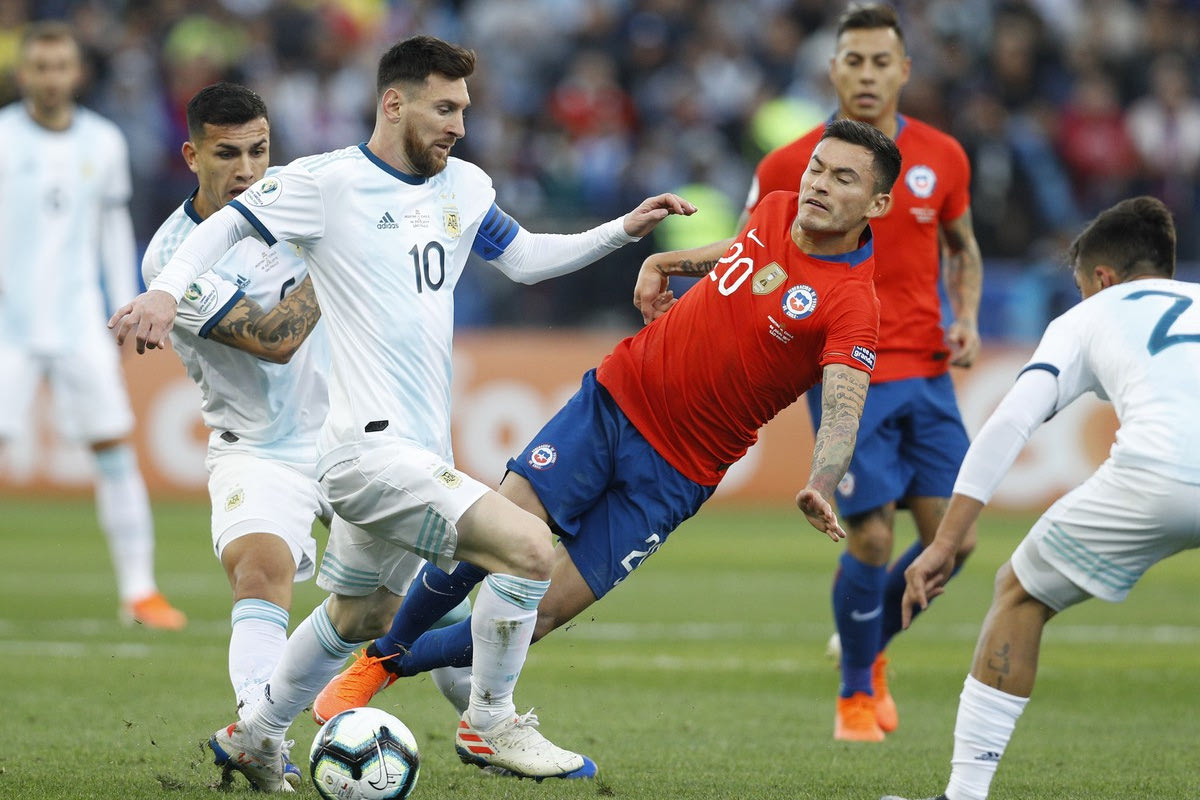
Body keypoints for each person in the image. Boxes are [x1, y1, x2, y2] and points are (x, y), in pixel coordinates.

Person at [109, 34, 694, 790]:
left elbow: (523, 258)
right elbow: (228, 225)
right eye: (444, 108)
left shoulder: (465, 186)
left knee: (361, 615)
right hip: (360, 449)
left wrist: (621, 230)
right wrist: (164, 291)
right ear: (394, 104)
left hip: (412, 446)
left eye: (464, 109)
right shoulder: (328, 183)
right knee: (526, 548)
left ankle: (256, 731)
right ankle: (489, 722)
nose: (459, 125)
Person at [311, 118, 905, 744]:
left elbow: (844, 408)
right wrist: (665, 260)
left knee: (540, 615)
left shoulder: (853, 305)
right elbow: (741, 250)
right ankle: (375, 664)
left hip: (677, 474)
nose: (818, 184)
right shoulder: (779, 207)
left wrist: (822, 481)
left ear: (877, 204)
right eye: (817, 168)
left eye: (843, 179)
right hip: (615, 402)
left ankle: (401, 669)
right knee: (491, 537)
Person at [143, 81, 473, 789]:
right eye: (227, 154)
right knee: (259, 572)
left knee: (432, 592)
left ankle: (484, 722)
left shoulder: (298, 199)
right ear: (192, 156)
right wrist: (347, 259)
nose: (247, 170)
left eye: (259, 151)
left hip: (354, 435)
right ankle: (261, 737)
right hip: (260, 449)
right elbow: (275, 338)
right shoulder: (173, 258)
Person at [881, 195, 1198, 800]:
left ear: (1102, 279)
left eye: (1080, 287)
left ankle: (965, 795)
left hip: (1158, 474)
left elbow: (1009, 423)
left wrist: (945, 542)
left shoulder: (1089, 315)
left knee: (1020, 593)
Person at [743, 3, 984, 741]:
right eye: (855, 60)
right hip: (849, 371)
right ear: (833, 69)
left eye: (882, 61)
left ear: (905, 70)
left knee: (956, 541)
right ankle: (855, 692)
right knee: (872, 539)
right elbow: (755, 257)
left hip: (929, 371)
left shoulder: (943, 156)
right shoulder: (789, 165)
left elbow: (962, 248)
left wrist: (968, 316)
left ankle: (866, 637)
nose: (868, 74)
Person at [0, 22, 185, 630]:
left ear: (76, 73)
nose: (51, 78)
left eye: (61, 66)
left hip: (79, 320)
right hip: (9, 325)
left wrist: (123, 305)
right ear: (23, 73)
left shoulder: (102, 142)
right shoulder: (3, 138)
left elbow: (111, 230)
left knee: (111, 448)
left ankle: (139, 592)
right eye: (40, 67)